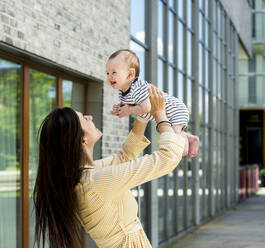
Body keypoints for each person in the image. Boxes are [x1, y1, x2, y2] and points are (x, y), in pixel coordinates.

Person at [33, 86, 185, 248]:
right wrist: (160, 115)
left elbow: (124, 157)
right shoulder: (94, 182)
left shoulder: (87, 174)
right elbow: (167, 158)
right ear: (82, 140)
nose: (90, 117)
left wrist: (143, 115)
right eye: (84, 119)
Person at [106, 49, 199, 158]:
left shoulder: (137, 87)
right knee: (168, 135)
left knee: (176, 147)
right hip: (166, 114)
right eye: (107, 73)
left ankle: (185, 139)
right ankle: (189, 138)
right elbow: (127, 104)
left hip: (174, 110)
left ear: (130, 74)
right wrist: (120, 108)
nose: (109, 76)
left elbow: (146, 107)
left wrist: (129, 111)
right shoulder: (123, 92)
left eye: (114, 72)